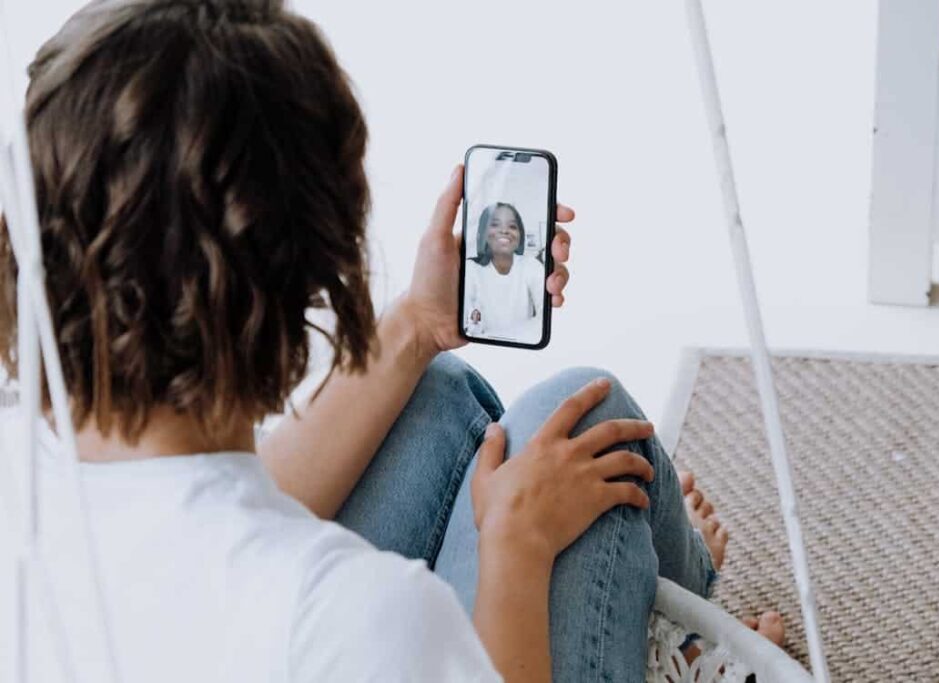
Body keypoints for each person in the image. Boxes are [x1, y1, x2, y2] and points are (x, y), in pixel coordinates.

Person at [0, 1, 780, 681]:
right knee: (577, 421)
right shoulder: (361, 617)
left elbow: (211, 517)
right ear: (310, 268)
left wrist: (416, 323)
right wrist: (516, 542)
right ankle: (682, 640)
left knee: (435, 394)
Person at [464, 202, 545, 340]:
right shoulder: (470, 268)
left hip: (522, 347)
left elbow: (544, 316)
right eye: (495, 224)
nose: (504, 231)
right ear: (483, 231)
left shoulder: (532, 266)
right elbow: (467, 322)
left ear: (520, 235)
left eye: (512, 226)